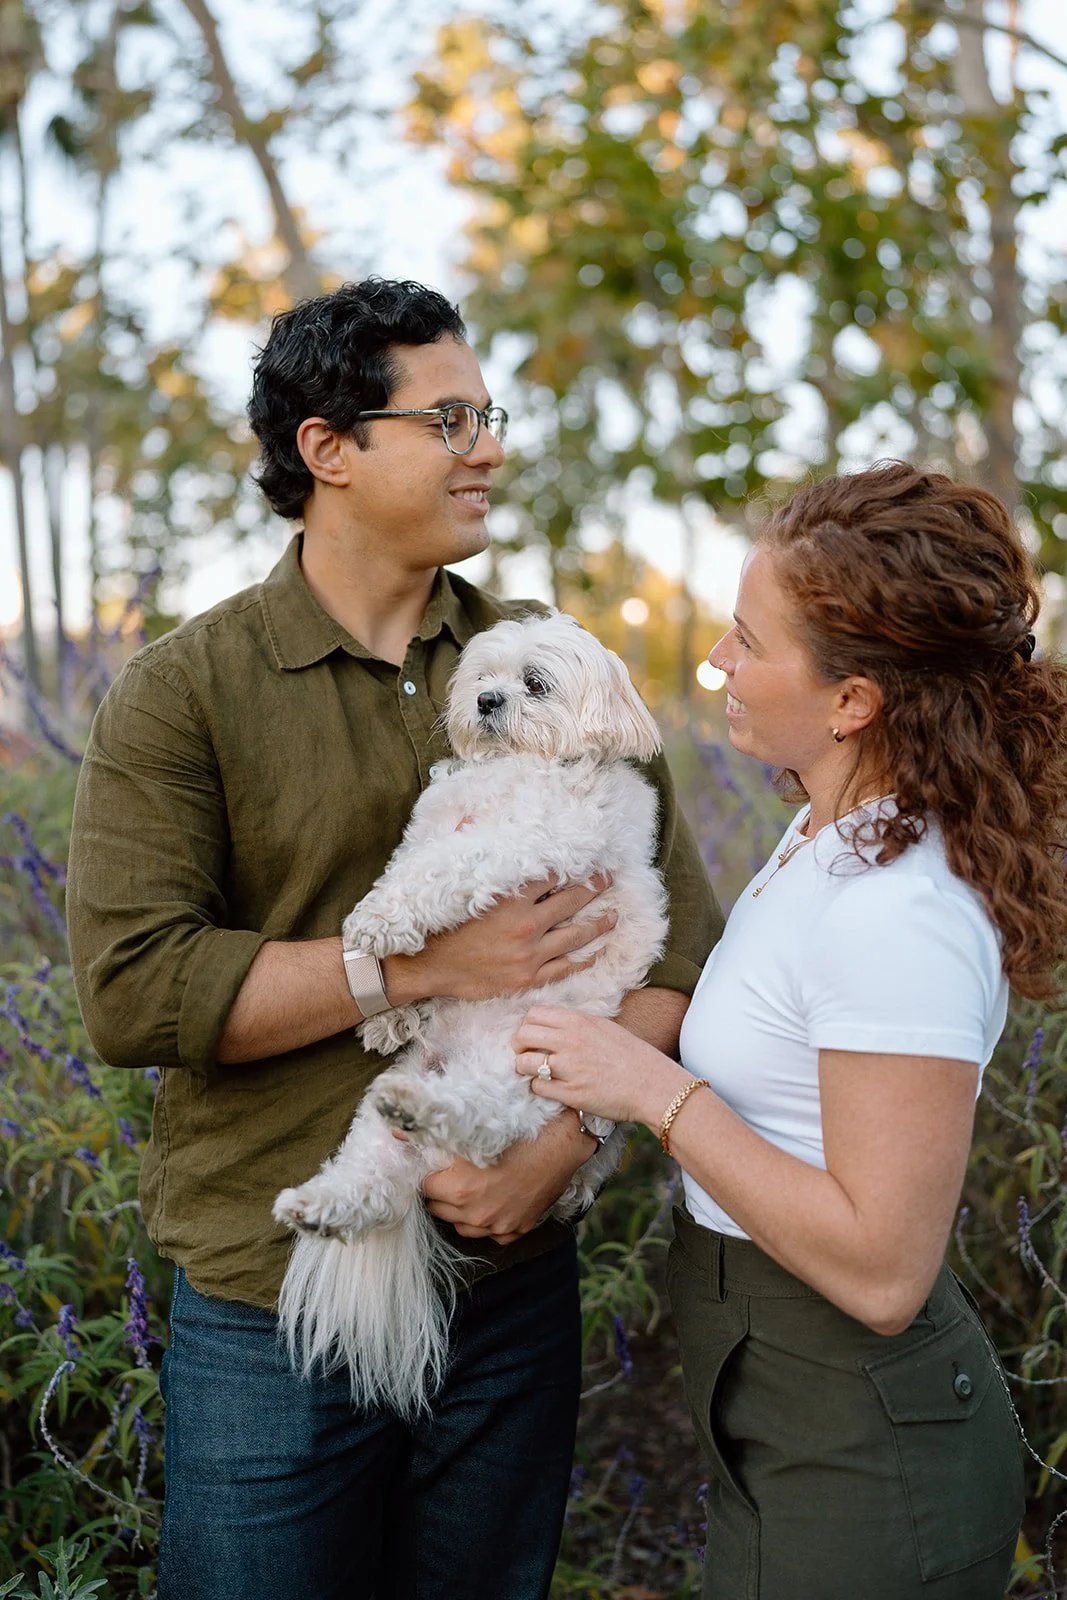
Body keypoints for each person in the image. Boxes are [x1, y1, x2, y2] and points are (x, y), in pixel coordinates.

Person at [65, 278, 723, 1600]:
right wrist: (419, 967)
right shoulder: (184, 691)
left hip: (509, 1283)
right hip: (273, 1301)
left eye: (490, 414)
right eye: (452, 417)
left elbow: (675, 961)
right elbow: (134, 995)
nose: (488, 445)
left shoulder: (545, 661)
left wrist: (560, 1148)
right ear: (329, 451)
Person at [514, 462, 1067, 1600]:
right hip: (780, 1394)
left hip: (859, 1438)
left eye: (745, 640)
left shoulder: (895, 909)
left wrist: (650, 1091)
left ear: (852, 698)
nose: (716, 661)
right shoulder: (827, 833)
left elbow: (879, 1270)